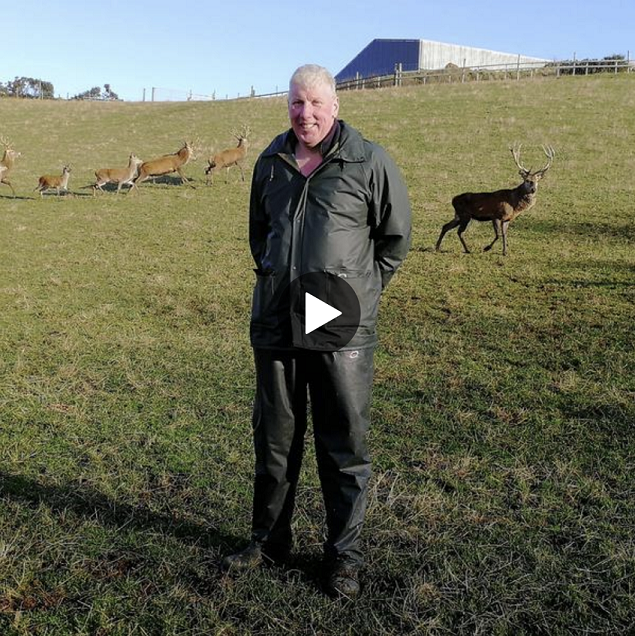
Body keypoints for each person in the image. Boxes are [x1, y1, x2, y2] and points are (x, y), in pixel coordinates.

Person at [221, 64, 411, 599]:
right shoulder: (271, 162)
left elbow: (394, 242)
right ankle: (268, 541)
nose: (305, 114)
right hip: (278, 318)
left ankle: (342, 559)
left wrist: (358, 293)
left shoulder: (368, 161)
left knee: (342, 443)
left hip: (338, 324)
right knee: (275, 441)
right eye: (296, 104)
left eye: (315, 104)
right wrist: (279, 279)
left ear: (335, 106)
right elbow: (260, 236)